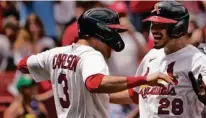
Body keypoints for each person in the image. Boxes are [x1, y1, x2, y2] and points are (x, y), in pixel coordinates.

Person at [17, 8, 174, 118]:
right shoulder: (91, 55)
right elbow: (95, 83)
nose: (114, 40)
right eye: (112, 32)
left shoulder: (56, 53)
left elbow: (23, 65)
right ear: (100, 31)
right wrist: (145, 79)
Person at [110, 1, 206, 118]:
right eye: (153, 24)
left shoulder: (197, 60)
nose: (154, 30)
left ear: (178, 28)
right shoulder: (151, 56)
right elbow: (136, 94)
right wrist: (101, 97)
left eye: (160, 26)